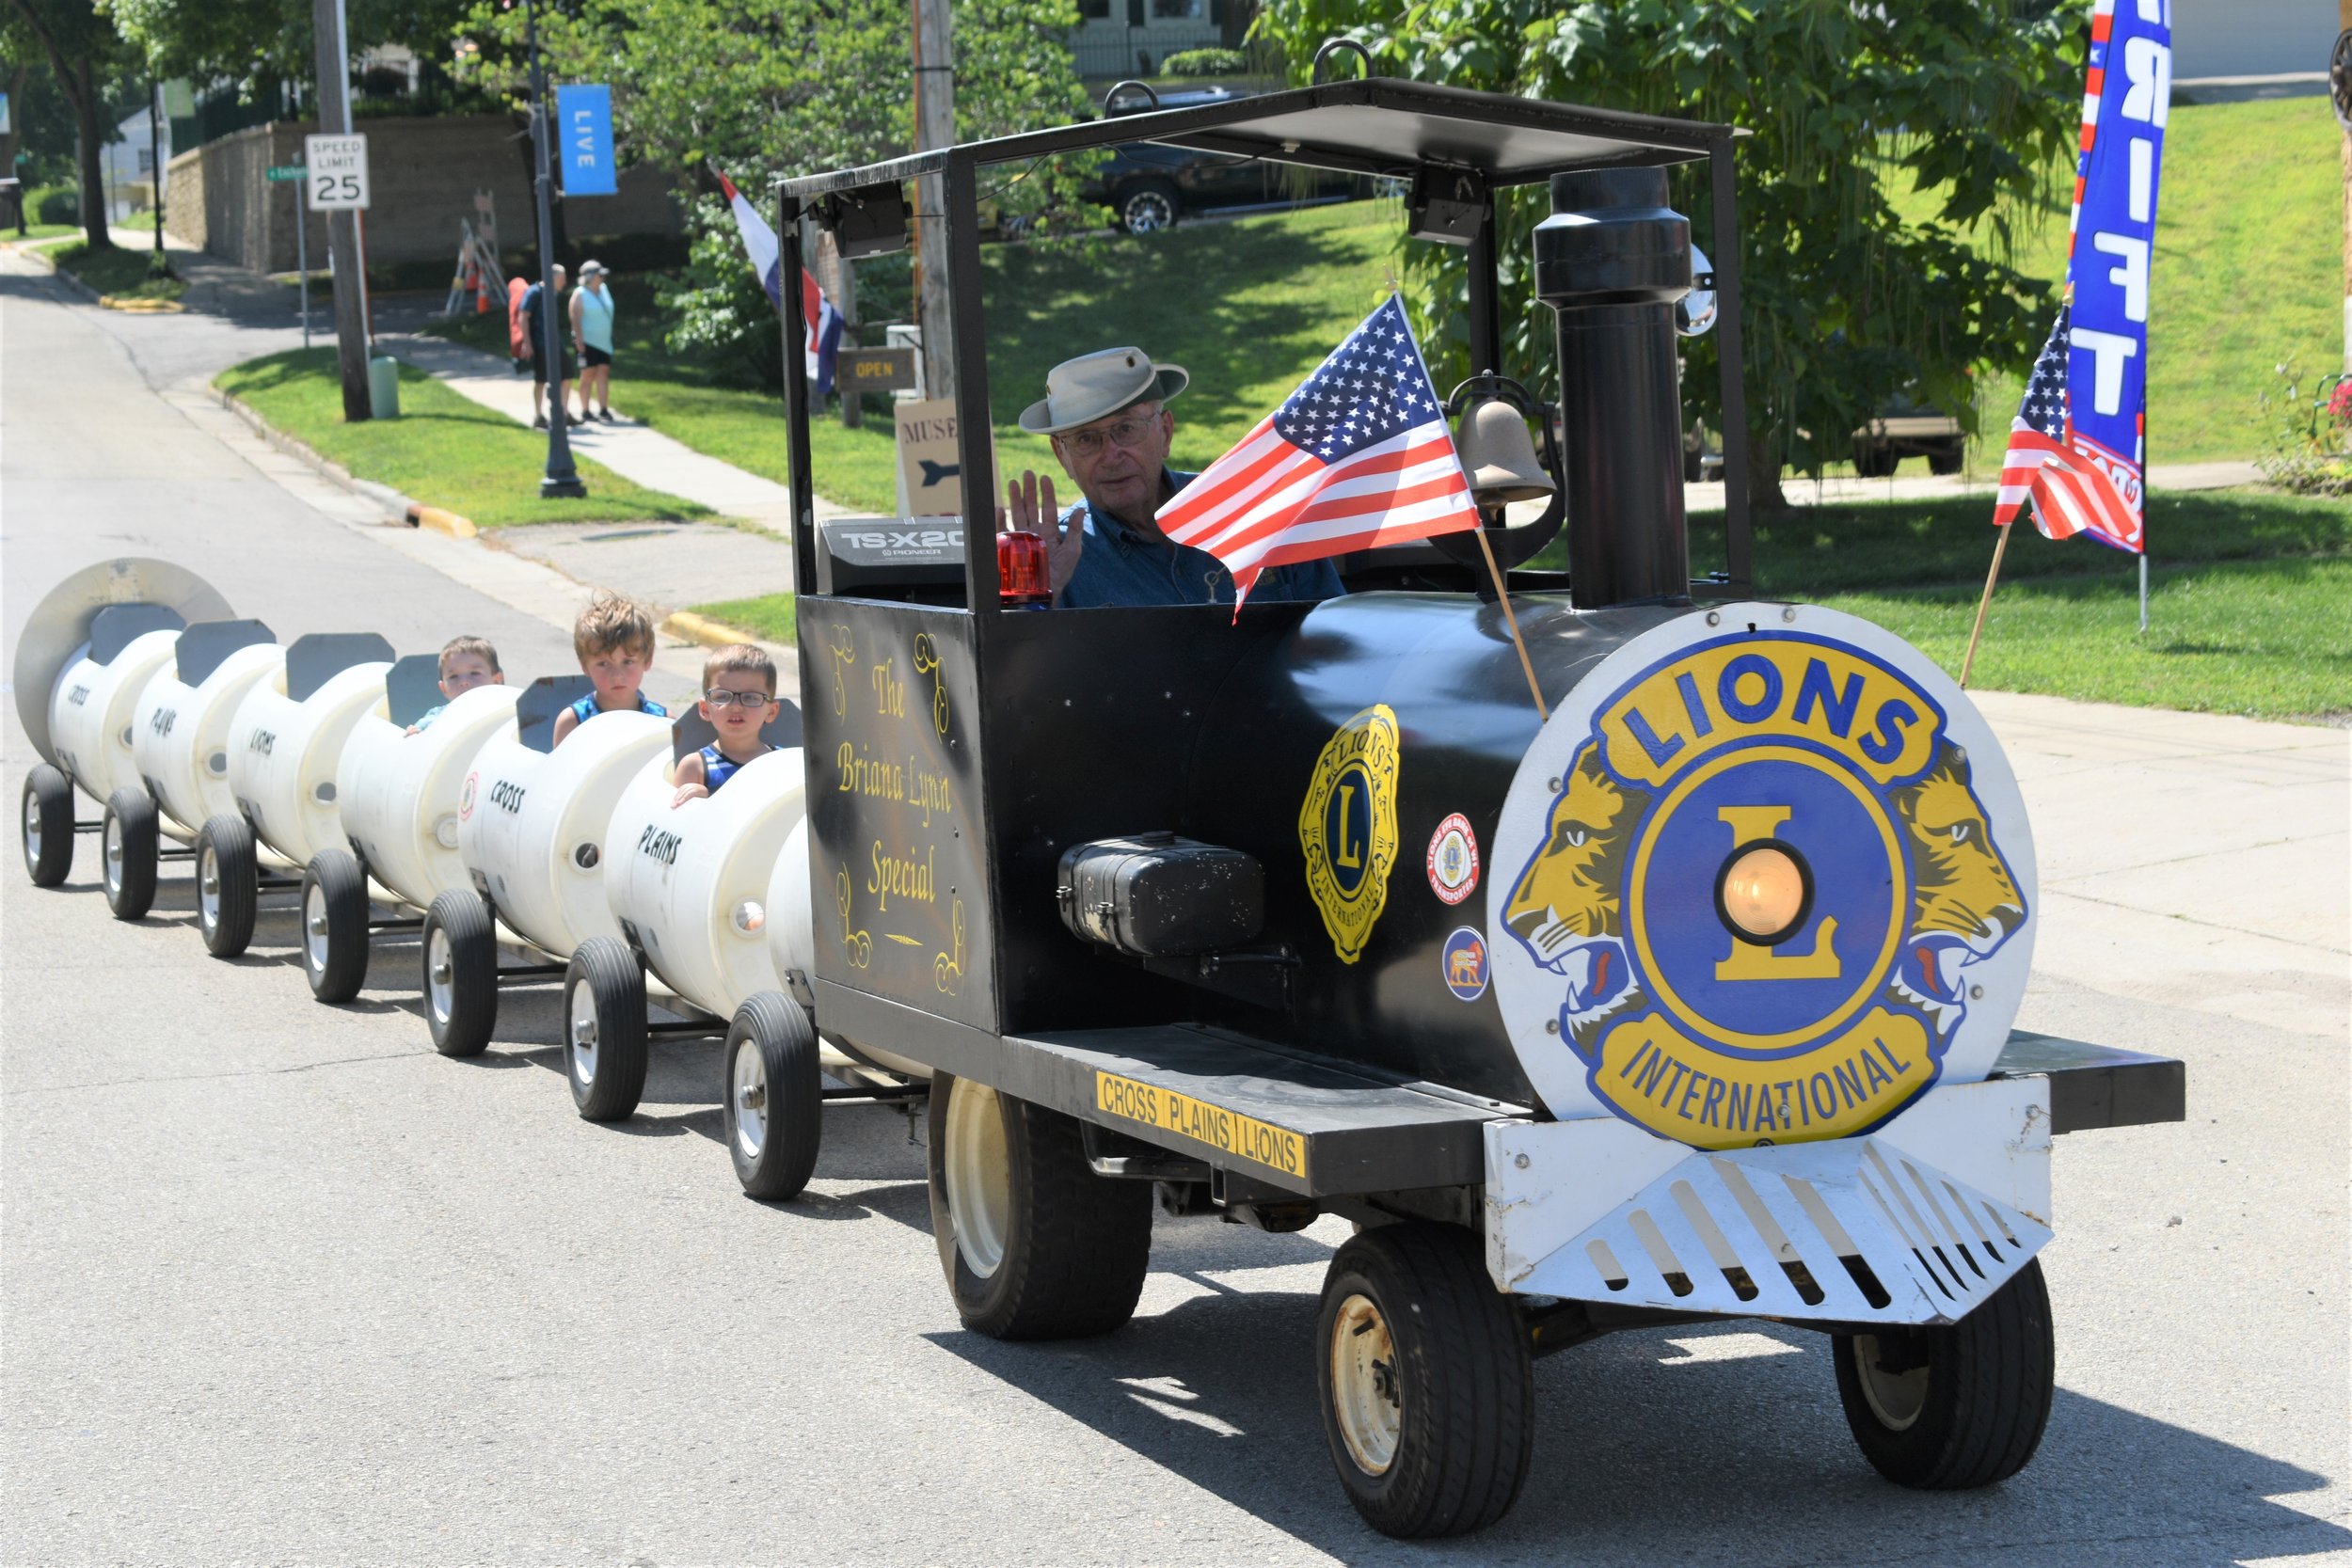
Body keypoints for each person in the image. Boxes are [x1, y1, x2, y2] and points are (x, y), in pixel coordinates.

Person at [1002, 345, 1343, 610]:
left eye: (1126, 428)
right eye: (1086, 439)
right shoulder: (1056, 558)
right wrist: (1039, 597)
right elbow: (1024, 684)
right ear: (1062, 455)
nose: (1111, 455)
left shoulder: (1256, 508)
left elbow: (1339, 637)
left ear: (1165, 432)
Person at [550, 592, 668, 747]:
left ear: (647, 660)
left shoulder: (662, 721)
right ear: (585, 666)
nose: (617, 676)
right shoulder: (573, 723)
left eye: (628, 661)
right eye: (603, 664)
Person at [670, 643, 780, 806]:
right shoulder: (695, 767)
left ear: (771, 712)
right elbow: (673, 825)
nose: (736, 706)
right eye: (722, 696)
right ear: (705, 708)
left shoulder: (781, 762)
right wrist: (702, 800)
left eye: (750, 697)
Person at [516, 262, 580, 430]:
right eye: (561, 278)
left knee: (567, 374)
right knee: (541, 380)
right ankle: (539, 416)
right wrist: (527, 343)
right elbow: (523, 317)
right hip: (540, 343)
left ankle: (563, 413)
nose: (564, 282)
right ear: (551, 278)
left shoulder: (552, 293)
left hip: (555, 342)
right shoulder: (535, 292)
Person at [405, 635, 505, 735]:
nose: (463, 682)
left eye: (474, 673)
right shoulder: (438, 718)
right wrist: (415, 734)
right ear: (443, 688)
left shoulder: (507, 713)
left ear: (496, 681)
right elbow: (419, 732)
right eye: (453, 676)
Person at [570, 260, 617, 423]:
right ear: (590, 276)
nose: (602, 277)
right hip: (587, 342)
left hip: (604, 342)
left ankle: (603, 409)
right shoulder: (580, 293)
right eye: (599, 274)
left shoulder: (604, 290)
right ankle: (585, 410)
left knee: (603, 373)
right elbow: (575, 317)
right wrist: (579, 341)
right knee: (588, 374)